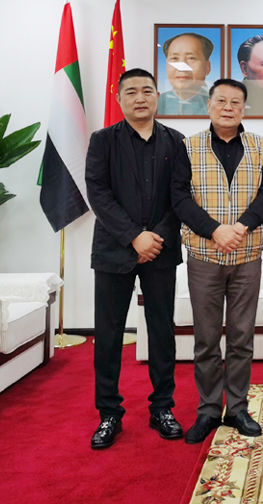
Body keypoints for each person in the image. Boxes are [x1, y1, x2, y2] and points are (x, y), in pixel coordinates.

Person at [172, 78, 263, 444]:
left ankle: (237, 409)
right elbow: (179, 198)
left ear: (244, 108)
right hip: (204, 256)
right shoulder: (188, 147)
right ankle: (207, 410)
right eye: (221, 101)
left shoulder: (261, 147)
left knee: (241, 338)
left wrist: (241, 226)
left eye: (235, 102)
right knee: (205, 339)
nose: (228, 108)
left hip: (248, 256)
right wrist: (215, 230)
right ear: (209, 105)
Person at [86, 68, 185, 449]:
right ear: (119, 98)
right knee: (109, 334)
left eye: (147, 91)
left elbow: (181, 196)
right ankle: (109, 413)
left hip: (160, 248)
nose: (140, 98)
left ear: (157, 96)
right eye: (131, 92)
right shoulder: (102, 141)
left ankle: (162, 408)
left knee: (161, 331)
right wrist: (134, 236)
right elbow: (98, 193)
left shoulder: (176, 141)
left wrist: (154, 237)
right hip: (114, 250)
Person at [157, 32, 213, 116]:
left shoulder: (218, 104)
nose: (182, 67)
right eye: (174, 58)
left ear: (207, 67)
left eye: (191, 58)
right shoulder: (156, 103)